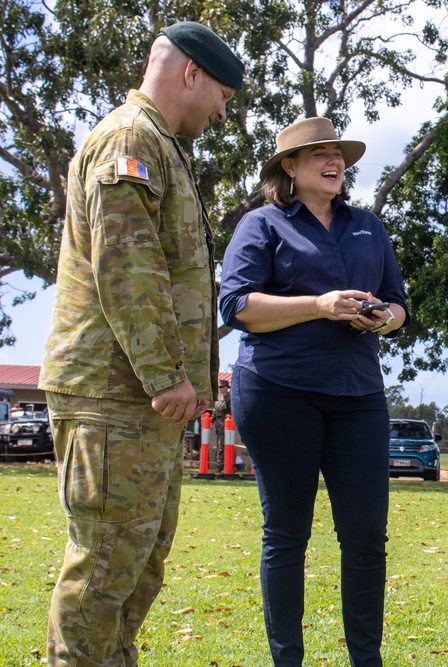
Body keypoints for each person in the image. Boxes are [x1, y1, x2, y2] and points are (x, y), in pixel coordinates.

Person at [37, 21, 244, 666]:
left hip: (140, 400)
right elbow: (125, 266)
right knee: (104, 568)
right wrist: (165, 376)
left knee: (137, 564)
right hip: (114, 393)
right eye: (223, 97)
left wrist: (172, 382)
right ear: (191, 74)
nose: (221, 112)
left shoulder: (162, 148)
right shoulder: (129, 139)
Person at [219, 116, 408, 667]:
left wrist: (384, 319)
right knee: (287, 533)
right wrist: (320, 305)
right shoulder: (262, 225)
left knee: (367, 534)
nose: (334, 162)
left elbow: (398, 301)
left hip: (358, 395)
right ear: (290, 167)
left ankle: (365, 661)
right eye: (319, 154)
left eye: (339, 154)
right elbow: (236, 307)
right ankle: (287, 661)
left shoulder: (369, 225)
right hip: (279, 391)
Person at [212, 378, 232, 468]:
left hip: (227, 426)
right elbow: (215, 411)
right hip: (218, 425)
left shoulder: (229, 398)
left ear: (226, 387)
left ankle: (222, 466)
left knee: (223, 446)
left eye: (221, 387)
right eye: (219, 387)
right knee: (218, 445)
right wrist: (210, 422)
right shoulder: (218, 397)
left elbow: (232, 412)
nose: (219, 389)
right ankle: (219, 465)